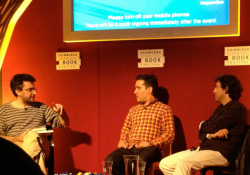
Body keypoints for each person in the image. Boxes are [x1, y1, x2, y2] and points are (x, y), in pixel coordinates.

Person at [159, 74, 248, 175]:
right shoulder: (220, 108)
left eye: (216, 87)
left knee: (184, 164)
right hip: (204, 149)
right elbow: (203, 133)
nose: (213, 91)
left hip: (221, 153)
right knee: (165, 163)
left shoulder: (237, 108)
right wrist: (211, 134)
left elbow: (212, 126)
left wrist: (205, 126)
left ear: (226, 89)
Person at [105, 74, 175, 175]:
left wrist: (150, 143)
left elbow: (169, 134)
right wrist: (123, 140)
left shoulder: (164, 109)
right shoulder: (133, 110)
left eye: (138, 88)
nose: (135, 92)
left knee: (138, 162)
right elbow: (125, 130)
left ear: (149, 89)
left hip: (150, 149)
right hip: (130, 148)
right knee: (110, 161)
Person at [0, 74, 66, 175]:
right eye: (30, 90)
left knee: (32, 135)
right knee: (37, 155)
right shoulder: (3, 110)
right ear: (18, 92)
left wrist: (61, 114)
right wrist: (17, 138)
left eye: (34, 89)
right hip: (16, 147)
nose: (34, 92)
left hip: (41, 144)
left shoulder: (41, 107)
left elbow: (62, 124)